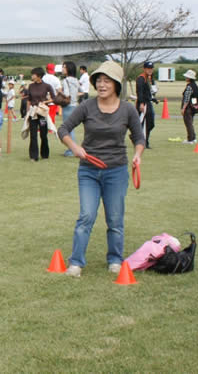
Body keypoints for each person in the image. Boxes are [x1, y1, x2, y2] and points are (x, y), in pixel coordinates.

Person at [58, 61, 145, 277]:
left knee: (115, 218)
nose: (102, 84)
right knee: (86, 216)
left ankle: (115, 259)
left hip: (116, 171)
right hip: (88, 170)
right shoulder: (87, 106)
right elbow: (64, 129)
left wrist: (137, 154)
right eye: (99, 80)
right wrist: (75, 147)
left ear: (116, 84)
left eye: (107, 80)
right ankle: (76, 263)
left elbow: (139, 136)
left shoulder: (127, 109)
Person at [25, 67, 56, 162]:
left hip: (42, 114)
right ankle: (33, 156)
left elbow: (54, 98)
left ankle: (45, 154)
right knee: (33, 134)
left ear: (38, 76)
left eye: (33, 74)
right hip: (33, 113)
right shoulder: (30, 86)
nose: (32, 76)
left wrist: (45, 102)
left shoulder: (47, 86)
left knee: (43, 134)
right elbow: (29, 100)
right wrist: (27, 113)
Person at [60, 61, 80, 157]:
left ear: (68, 69)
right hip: (74, 105)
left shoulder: (66, 80)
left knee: (67, 129)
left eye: (64, 67)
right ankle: (72, 149)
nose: (62, 69)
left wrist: (60, 92)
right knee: (71, 128)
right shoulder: (76, 80)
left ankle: (71, 150)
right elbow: (82, 91)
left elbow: (67, 94)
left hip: (67, 106)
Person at [136, 61, 156, 148]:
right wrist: (141, 103)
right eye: (148, 68)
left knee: (150, 123)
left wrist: (153, 98)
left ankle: (138, 138)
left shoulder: (150, 78)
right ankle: (144, 142)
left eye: (151, 68)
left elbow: (149, 92)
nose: (150, 70)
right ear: (144, 69)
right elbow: (139, 92)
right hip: (143, 103)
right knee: (144, 123)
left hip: (149, 102)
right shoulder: (141, 78)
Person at [181, 69, 198, 144]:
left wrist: (183, 108)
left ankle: (190, 139)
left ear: (189, 78)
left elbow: (186, 98)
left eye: (187, 77)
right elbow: (194, 98)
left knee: (188, 124)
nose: (186, 78)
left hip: (188, 108)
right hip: (194, 107)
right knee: (191, 123)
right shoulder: (195, 85)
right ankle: (193, 138)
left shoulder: (189, 86)